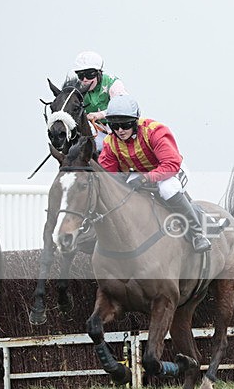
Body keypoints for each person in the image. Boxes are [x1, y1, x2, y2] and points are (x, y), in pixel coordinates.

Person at [98, 95, 211, 253]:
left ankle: (197, 233)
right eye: (114, 126)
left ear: (134, 122)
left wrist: (146, 178)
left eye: (124, 125)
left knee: (167, 189)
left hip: (171, 170)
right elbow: (108, 176)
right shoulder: (110, 142)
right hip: (140, 173)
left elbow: (171, 164)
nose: (120, 131)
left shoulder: (154, 131)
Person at [71, 50, 129, 152]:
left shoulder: (113, 83)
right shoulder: (77, 89)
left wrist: (99, 115)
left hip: (121, 129)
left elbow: (124, 108)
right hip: (95, 130)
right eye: (80, 75)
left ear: (99, 73)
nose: (84, 79)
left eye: (89, 74)